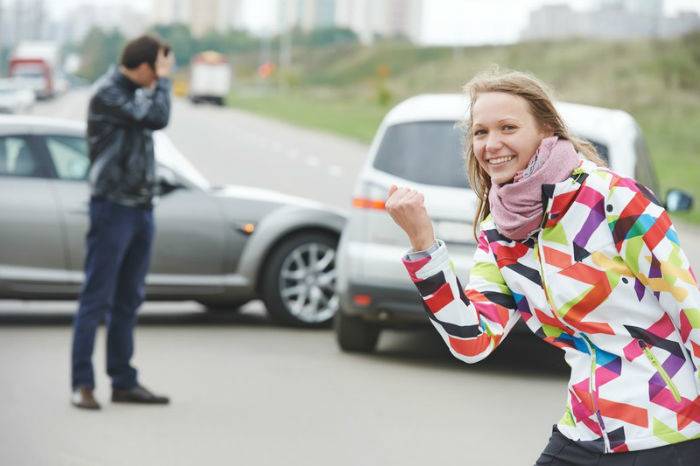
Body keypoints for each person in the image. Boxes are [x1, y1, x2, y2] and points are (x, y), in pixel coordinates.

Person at [385, 69, 700, 465]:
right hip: (585, 431)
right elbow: (472, 340)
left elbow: (689, 310)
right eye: (480, 132)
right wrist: (423, 245)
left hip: (669, 432)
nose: (491, 144)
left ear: (546, 130)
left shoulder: (612, 199)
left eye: (508, 127)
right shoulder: (499, 232)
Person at [70, 35, 174, 410]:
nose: (163, 75)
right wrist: (164, 82)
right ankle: (82, 383)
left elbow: (149, 121)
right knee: (96, 298)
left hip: (141, 209)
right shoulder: (108, 93)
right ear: (145, 67)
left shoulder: (136, 93)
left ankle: (123, 381)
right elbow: (156, 118)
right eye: (160, 67)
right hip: (112, 207)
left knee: (129, 299)